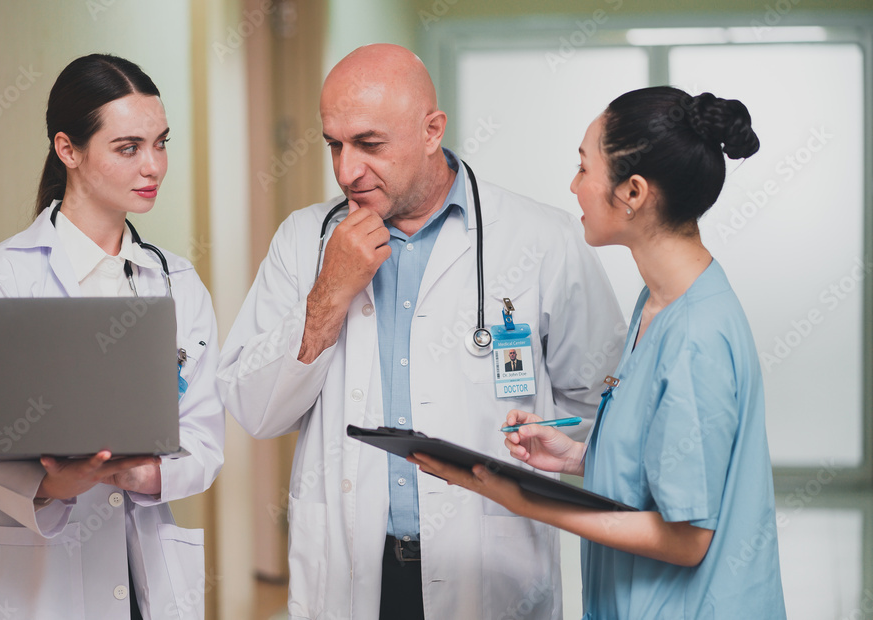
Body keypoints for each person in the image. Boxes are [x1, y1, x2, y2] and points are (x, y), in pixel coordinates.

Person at [217, 44, 623, 620]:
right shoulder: (303, 240)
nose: (345, 170)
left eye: (369, 144)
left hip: (486, 572)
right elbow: (256, 410)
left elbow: (607, 411)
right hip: (350, 571)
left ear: (432, 130)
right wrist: (330, 293)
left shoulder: (542, 240)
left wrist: (541, 441)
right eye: (334, 143)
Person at [410, 86, 787, 619]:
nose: (574, 186)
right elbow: (675, 469)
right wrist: (577, 458)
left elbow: (687, 537)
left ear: (632, 192)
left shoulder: (696, 334)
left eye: (584, 168)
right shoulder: (659, 303)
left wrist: (528, 501)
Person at [0, 54, 225, 620]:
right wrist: (51, 486)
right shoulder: (5, 276)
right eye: (128, 147)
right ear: (68, 149)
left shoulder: (175, 282)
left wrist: (145, 473)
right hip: (35, 578)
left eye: (161, 142)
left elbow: (205, 436)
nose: (154, 167)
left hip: (136, 570)